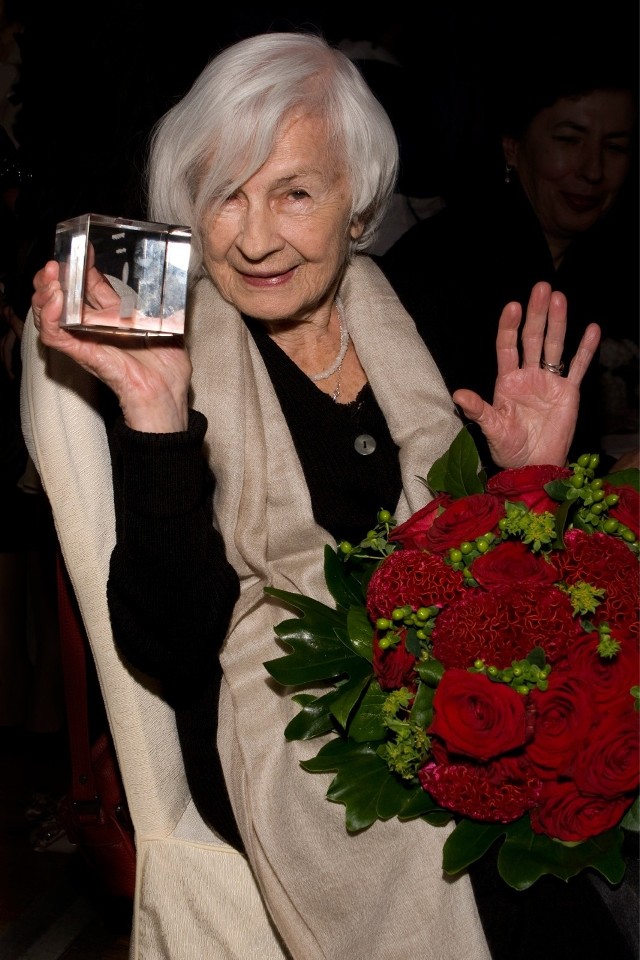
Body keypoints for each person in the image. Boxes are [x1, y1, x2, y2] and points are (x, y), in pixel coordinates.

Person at [28, 31, 635, 960]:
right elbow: (172, 648)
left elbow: (487, 577)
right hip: (285, 720)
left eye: (295, 193)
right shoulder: (169, 354)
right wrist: (155, 418)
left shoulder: (423, 310)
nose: (256, 236)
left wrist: (525, 480)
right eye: (225, 193)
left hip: (445, 680)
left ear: (358, 208)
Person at [378, 35, 638, 472]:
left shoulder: (593, 267)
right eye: (569, 140)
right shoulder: (445, 262)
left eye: (615, 147)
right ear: (513, 147)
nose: (594, 170)